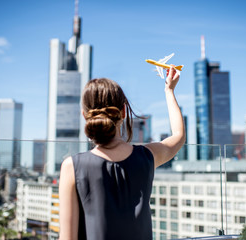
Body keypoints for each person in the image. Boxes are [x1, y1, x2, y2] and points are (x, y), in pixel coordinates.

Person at [59, 66, 185, 240]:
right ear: (124, 112)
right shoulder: (146, 156)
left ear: (85, 115)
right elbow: (178, 136)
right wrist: (169, 90)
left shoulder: (72, 167)